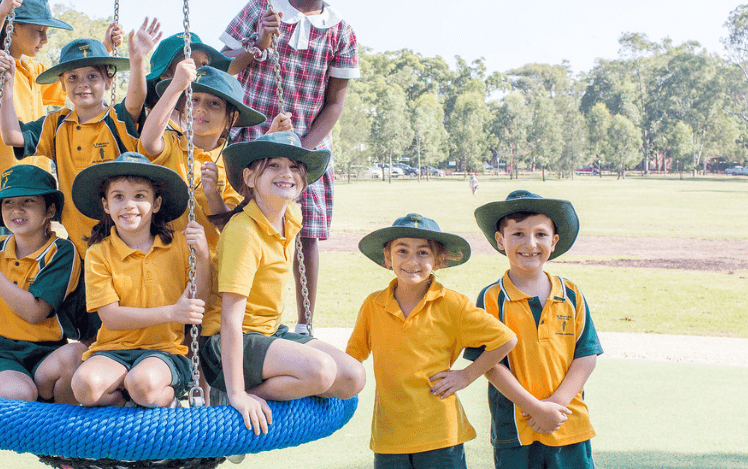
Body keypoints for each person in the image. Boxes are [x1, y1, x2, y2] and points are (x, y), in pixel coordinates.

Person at [220, 0, 362, 335]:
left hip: (306, 144)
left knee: (307, 233)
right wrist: (258, 45)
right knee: (236, 222)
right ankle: (235, 318)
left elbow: (334, 103)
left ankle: (304, 323)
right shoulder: (260, 9)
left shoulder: (341, 32)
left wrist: (302, 149)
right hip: (253, 137)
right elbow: (228, 73)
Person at [199, 131, 365, 434]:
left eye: (293, 166)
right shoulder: (243, 232)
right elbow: (230, 319)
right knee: (321, 371)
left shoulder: (293, 215)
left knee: (353, 376)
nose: (286, 173)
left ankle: (277, 385)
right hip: (224, 344)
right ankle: (242, 398)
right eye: (273, 165)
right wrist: (237, 393)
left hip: (269, 332)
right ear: (249, 177)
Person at [347, 214, 516, 469]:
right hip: (389, 435)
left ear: (438, 260)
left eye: (423, 253)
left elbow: (505, 339)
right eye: (401, 251)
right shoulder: (373, 304)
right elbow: (353, 356)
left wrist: (466, 376)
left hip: (441, 435)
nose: (411, 261)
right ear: (387, 256)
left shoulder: (453, 305)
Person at [0, 24, 161, 258]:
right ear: (62, 84)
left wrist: (137, 61)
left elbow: (135, 100)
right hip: (78, 242)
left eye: (92, 76)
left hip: (121, 241)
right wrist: (7, 86)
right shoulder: (57, 123)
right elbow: (12, 136)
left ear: (108, 82)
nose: (82, 84)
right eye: (73, 78)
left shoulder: (116, 119)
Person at [466, 191, 603, 469]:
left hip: (567, 422)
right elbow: (490, 365)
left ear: (553, 242)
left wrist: (555, 406)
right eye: (518, 234)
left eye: (541, 234)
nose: (530, 243)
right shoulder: (491, 298)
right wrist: (537, 409)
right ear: (500, 239)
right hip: (515, 429)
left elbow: (586, 355)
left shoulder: (571, 294)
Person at [68, 152, 210, 408]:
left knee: (142, 384)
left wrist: (202, 257)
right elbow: (111, 316)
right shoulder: (99, 252)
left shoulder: (177, 244)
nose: (129, 205)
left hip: (164, 351)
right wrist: (172, 312)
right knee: (84, 386)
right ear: (106, 205)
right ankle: (127, 401)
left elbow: (198, 300)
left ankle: (166, 400)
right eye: (118, 196)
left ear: (155, 204)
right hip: (113, 350)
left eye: (139, 196)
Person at [0, 165, 100, 403]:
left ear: (50, 210)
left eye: (28, 201)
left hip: (47, 352)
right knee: (20, 394)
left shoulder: (62, 252)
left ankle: (59, 426)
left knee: (77, 353)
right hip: (1, 354)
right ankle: (26, 393)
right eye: (8, 203)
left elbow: (34, 312)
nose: (17, 210)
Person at [0, 0, 73, 243]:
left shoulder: (31, 69)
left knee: (33, 260)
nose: (45, 39)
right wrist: (3, 11)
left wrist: (102, 49)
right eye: (39, 31)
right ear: (12, 28)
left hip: (35, 185)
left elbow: (74, 82)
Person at [140, 55, 269, 252]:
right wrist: (176, 87)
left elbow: (231, 224)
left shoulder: (235, 164)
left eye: (213, 104)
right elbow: (148, 142)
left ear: (232, 117)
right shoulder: (171, 143)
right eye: (195, 100)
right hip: (164, 260)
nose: (200, 109)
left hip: (210, 264)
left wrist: (213, 196)